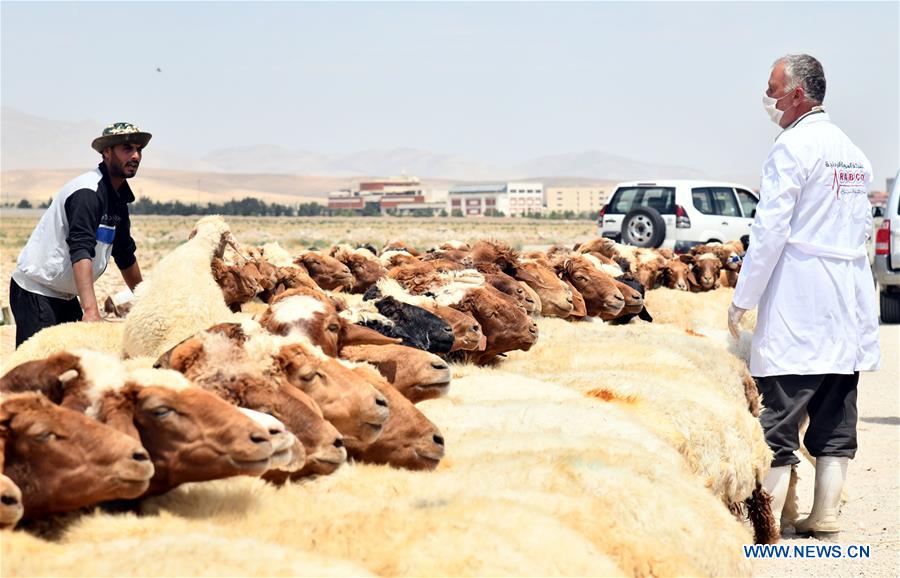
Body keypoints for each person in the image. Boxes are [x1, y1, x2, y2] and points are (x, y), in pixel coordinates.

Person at [728, 55, 880, 540]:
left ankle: (768, 523)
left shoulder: (792, 147)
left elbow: (769, 230)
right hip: (847, 294)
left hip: (800, 292)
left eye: (773, 90)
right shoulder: (853, 153)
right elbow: (859, 228)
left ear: (796, 94)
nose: (768, 100)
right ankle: (824, 514)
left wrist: (742, 298)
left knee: (778, 415)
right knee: (836, 409)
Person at [10, 122, 151, 348]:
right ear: (107, 152)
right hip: (37, 292)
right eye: (127, 148)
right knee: (39, 368)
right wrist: (91, 310)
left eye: (139, 149)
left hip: (66, 296)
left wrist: (147, 302)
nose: (135, 156)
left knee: (77, 365)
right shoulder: (88, 193)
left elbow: (125, 255)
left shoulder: (118, 199)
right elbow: (81, 250)